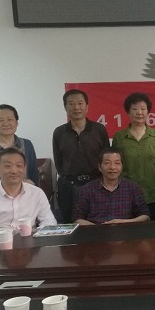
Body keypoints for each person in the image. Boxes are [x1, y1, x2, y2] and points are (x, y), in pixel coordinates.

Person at [52, 89, 110, 223]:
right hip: (69, 187)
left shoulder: (99, 129)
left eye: (80, 103)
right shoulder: (59, 132)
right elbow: (59, 162)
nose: (76, 107)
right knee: (69, 223)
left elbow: (106, 158)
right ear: (65, 107)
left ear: (87, 106)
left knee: (97, 222)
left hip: (96, 183)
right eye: (71, 104)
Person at [0, 148, 56, 232]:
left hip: (30, 238)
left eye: (19, 166)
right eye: (8, 166)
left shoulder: (37, 193)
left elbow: (48, 220)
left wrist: (38, 234)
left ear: (24, 169)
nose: (14, 171)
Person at [112, 92, 155, 220]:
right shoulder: (119, 137)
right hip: (127, 193)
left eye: (143, 109)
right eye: (134, 109)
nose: (139, 112)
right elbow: (115, 165)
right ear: (128, 112)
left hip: (154, 193)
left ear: (148, 112)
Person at [73, 147, 151, 225]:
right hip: (95, 231)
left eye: (117, 163)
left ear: (122, 166)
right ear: (99, 167)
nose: (112, 167)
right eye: (107, 163)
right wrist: (97, 228)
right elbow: (77, 218)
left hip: (125, 230)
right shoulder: (87, 189)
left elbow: (145, 216)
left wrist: (123, 222)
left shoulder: (132, 188)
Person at [0, 104, 39, 188]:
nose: (6, 123)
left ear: (16, 122)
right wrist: (18, 182)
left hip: (26, 192)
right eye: (1, 120)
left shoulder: (27, 144)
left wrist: (36, 191)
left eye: (10, 119)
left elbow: (34, 174)